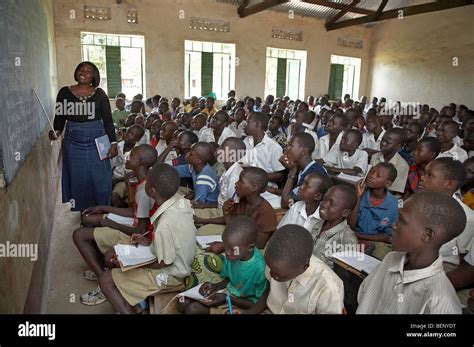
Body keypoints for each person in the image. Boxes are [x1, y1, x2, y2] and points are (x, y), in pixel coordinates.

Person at [97, 164, 196, 314]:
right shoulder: (180, 202)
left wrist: (132, 265)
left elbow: (164, 262)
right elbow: (174, 242)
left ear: (152, 190)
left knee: (106, 280)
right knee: (120, 256)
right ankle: (137, 305)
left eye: (147, 182)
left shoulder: (165, 223)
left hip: (171, 275)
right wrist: (149, 242)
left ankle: (129, 309)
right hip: (177, 260)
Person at [72, 144, 157, 305]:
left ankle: (103, 281)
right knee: (90, 220)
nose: (126, 158)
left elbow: (141, 229)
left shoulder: (144, 191)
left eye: (131, 156)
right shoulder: (142, 183)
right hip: (133, 225)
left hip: (135, 234)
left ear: (139, 161)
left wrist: (111, 224)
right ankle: (102, 274)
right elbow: (135, 213)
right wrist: (105, 208)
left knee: (79, 235)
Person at [356, 192, 466, 314]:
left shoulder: (439, 302)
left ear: (427, 235)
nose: (394, 225)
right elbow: (365, 297)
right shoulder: (391, 259)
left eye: (402, 220)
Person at [49, 61, 117, 211]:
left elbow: (108, 121)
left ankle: (101, 211)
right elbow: (60, 117)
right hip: (73, 142)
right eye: (81, 69)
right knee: (78, 179)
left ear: (94, 76)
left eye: (88, 71)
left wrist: (113, 143)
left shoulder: (100, 94)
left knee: (100, 178)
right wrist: (56, 131)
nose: (83, 72)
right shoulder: (64, 92)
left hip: (98, 141)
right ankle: (84, 213)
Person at [182, 217, 268, 314]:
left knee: (192, 309)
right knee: (183, 302)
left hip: (243, 303)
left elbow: (258, 304)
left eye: (232, 249)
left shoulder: (260, 269)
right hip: (229, 294)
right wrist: (215, 286)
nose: (226, 253)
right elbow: (229, 279)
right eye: (225, 246)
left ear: (250, 247)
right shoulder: (232, 256)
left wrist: (228, 299)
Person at [259, 224, 345, 314]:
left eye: (279, 275)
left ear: (305, 266)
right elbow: (269, 291)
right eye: (271, 269)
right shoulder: (275, 261)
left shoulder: (328, 287)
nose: (272, 275)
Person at [310, 185, 358, 267]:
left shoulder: (347, 240)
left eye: (331, 203)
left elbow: (343, 274)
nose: (324, 204)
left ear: (345, 212)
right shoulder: (318, 224)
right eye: (324, 199)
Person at [279, 132, 327, 208]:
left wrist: (292, 172)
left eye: (290, 145)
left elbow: (285, 203)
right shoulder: (302, 168)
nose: (286, 148)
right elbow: (291, 193)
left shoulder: (314, 173)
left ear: (303, 151)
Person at [241, 112, 285, 184]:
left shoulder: (274, 147)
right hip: (246, 184)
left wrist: (256, 176)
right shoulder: (246, 141)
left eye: (248, 122)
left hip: (265, 188)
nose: (245, 125)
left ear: (257, 124)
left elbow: (279, 176)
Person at [370, 128, 409, 194]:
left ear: (398, 146)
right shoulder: (375, 156)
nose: (383, 143)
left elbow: (394, 190)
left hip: (388, 197)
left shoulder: (402, 165)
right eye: (382, 139)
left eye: (388, 142)